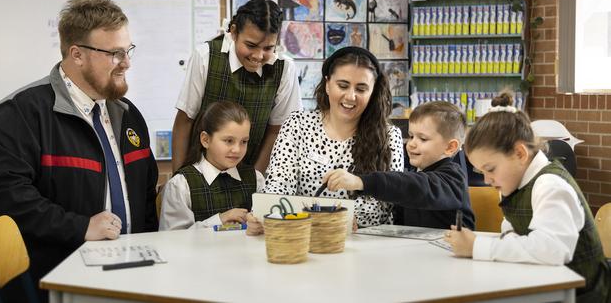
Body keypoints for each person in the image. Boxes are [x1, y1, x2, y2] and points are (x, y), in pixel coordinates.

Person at [0, 0, 158, 302]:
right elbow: (3, 196)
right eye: (115, 53)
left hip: (127, 271)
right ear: (77, 54)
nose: (127, 63)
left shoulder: (128, 114)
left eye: (128, 50)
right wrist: (80, 227)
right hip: (50, 279)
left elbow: (145, 191)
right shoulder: (19, 113)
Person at [444, 91, 610, 302]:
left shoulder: (549, 185)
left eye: (490, 169)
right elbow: (513, 234)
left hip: (586, 296)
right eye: (481, 172)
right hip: (546, 288)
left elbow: (552, 250)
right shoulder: (516, 184)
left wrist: (477, 246)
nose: (486, 180)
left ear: (520, 154)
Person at [246, 46, 405, 234]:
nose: (351, 96)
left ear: (373, 92)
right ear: (328, 84)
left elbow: (384, 205)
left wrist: (347, 218)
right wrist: (263, 212)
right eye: (343, 85)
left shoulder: (389, 136)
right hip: (301, 238)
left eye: (361, 89)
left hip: (364, 243)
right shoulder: (297, 124)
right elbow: (279, 184)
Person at [172, 0, 301, 174]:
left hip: (251, 170)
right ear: (233, 32)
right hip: (200, 172)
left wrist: (256, 179)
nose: (258, 56)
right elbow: (184, 121)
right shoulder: (206, 56)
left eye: (268, 48)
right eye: (251, 45)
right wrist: (179, 175)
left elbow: (276, 132)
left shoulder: (284, 69)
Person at [324, 101, 474, 229]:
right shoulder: (414, 176)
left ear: (450, 147)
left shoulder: (454, 178)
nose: (411, 144)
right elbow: (400, 222)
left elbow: (415, 186)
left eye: (423, 139)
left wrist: (361, 181)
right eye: (411, 136)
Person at [159, 101, 265, 230]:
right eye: (229, 141)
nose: (237, 149)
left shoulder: (256, 179)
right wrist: (219, 220)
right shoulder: (181, 185)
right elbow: (172, 239)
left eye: (244, 141)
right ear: (205, 140)